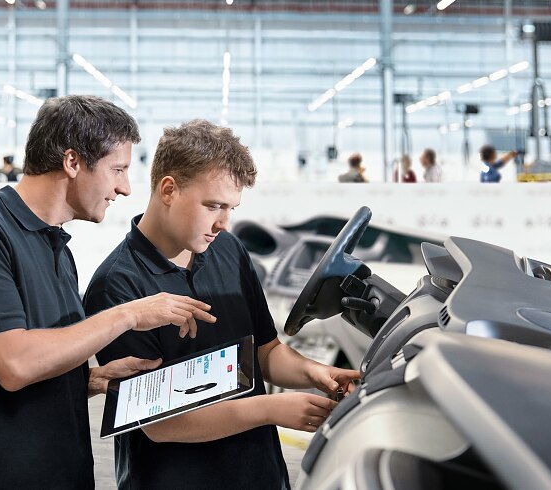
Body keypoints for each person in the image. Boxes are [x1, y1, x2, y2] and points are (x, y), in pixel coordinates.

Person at [0, 95, 216, 489]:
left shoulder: (57, 249)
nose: (125, 188)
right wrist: (128, 314)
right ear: (73, 162)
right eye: (118, 169)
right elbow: (14, 365)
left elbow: (29, 365)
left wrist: (88, 381)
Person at [83, 119, 360, 490]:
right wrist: (270, 409)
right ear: (169, 189)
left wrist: (316, 373)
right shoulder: (116, 286)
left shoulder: (228, 250)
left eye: (231, 207)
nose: (223, 223)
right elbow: (160, 424)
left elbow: (264, 351)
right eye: (213, 205)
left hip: (259, 474)